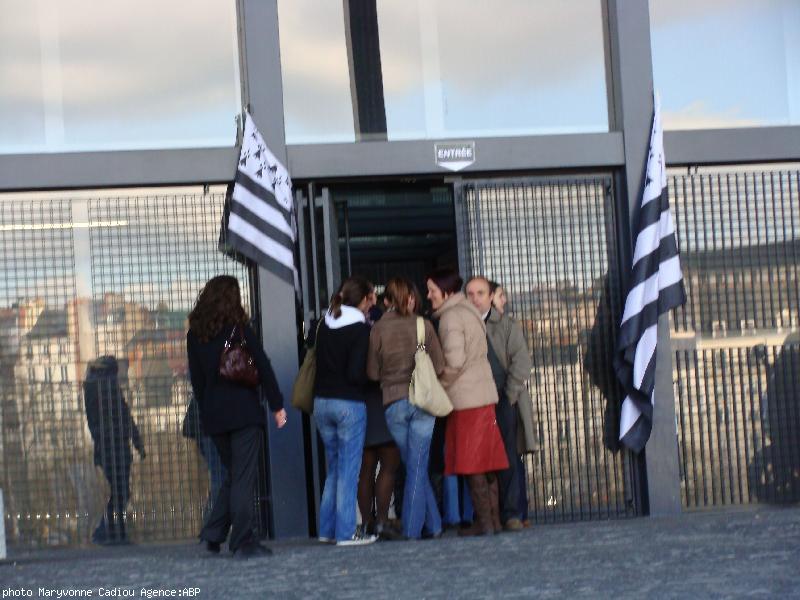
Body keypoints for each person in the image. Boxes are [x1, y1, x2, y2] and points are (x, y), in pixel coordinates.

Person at [187, 275, 287, 559]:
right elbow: (263, 365)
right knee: (243, 478)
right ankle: (244, 541)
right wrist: (277, 404)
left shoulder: (195, 334)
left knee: (235, 476)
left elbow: (197, 381)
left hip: (214, 416)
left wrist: (207, 409)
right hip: (243, 412)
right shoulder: (239, 328)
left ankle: (213, 534)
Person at [427, 267, 508, 536]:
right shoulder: (470, 313)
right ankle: (493, 521)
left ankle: (484, 524)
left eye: (433, 291)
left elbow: (455, 361)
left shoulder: (450, 318)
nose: (429, 296)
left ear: (446, 292)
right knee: (487, 463)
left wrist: (438, 386)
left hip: (466, 399)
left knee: (472, 463)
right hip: (484, 396)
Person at [367, 277, 445, 540]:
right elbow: (440, 365)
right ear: (411, 298)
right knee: (417, 465)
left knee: (413, 464)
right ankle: (416, 531)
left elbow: (372, 372)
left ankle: (432, 527)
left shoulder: (377, 329)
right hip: (422, 401)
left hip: (393, 403)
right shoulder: (424, 325)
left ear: (385, 301)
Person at [466, 276, 534, 531]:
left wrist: (509, 395)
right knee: (478, 459)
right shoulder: (464, 326)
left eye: (480, 293)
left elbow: (521, 362)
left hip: (503, 398)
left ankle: (511, 513)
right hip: (475, 400)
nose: (475, 298)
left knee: (508, 456)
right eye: (470, 294)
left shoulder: (506, 325)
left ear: (490, 296)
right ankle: (485, 515)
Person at [314, 276, 378, 546]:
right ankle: (346, 533)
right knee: (350, 470)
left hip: (321, 403)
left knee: (334, 469)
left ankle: (327, 530)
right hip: (348, 404)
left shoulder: (325, 324)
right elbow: (355, 373)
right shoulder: (360, 329)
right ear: (364, 300)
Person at [84, 356, 145, 545]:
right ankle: (110, 532)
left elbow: (122, 416)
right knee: (121, 491)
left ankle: (111, 531)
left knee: (120, 491)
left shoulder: (95, 387)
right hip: (114, 447)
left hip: (109, 449)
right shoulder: (106, 388)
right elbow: (124, 416)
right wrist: (137, 443)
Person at [358, 291, 403, 540]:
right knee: (388, 466)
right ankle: (383, 520)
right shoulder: (385, 335)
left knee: (365, 469)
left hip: (362, 406)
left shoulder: (355, 333)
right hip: (385, 403)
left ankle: (366, 523)